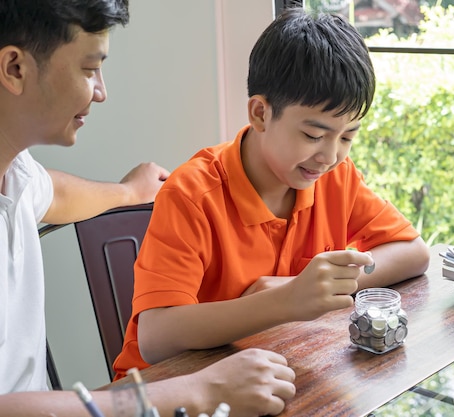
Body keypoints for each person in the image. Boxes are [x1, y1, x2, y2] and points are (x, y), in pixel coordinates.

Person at [0, 1, 296, 416]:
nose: (101, 92)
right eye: (89, 69)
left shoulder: (16, 172)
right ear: (15, 68)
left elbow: (51, 192)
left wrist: (127, 192)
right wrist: (197, 391)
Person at [113, 7, 430, 378]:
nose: (330, 156)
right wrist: (284, 301)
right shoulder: (192, 195)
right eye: (313, 135)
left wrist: (319, 287)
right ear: (261, 113)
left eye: (347, 136)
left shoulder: (335, 177)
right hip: (168, 390)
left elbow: (413, 252)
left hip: (274, 371)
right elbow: (156, 338)